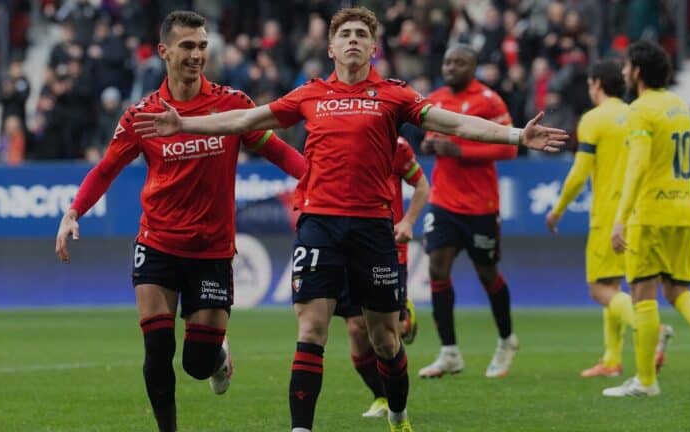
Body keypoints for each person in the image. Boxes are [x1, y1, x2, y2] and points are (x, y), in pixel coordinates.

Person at [133, 7, 568, 431]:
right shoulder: (309, 95)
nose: (353, 40)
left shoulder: (394, 95)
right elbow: (247, 118)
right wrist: (184, 124)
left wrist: (517, 135)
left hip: (372, 228)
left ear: (374, 48)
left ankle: (397, 416)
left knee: (385, 339)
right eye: (345, 35)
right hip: (318, 225)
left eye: (362, 35)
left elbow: (453, 123)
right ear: (331, 48)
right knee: (311, 329)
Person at [54, 11, 306, 432]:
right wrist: (73, 211)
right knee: (157, 349)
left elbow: (276, 150)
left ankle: (218, 356)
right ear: (164, 51)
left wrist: (316, 180)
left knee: (196, 363)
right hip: (157, 242)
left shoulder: (232, 104)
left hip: (211, 249)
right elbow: (106, 170)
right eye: (187, 46)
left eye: (202, 46)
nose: (196, 55)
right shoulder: (143, 115)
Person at [603, 40, 690, 397]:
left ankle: (646, 381)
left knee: (642, 293)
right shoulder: (679, 105)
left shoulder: (639, 110)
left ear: (637, 71)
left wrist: (620, 218)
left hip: (650, 212)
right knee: (678, 290)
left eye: (626, 66)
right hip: (684, 209)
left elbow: (637, 165)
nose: (623, 71)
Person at [546, 59, 673, 378]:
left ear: (598, 84)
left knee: (598, 289)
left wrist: (558, 208)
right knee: (614, 286)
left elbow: (579, 173)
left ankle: (652, 328)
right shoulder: (636, 113)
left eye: (591, 84)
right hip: (638, 210)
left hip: (608, 214)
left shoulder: (593, 119)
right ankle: (612, 360)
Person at [417, 46, 519, 379]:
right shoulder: (435, 99)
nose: (451, 67)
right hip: (443, 201)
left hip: (480, 204)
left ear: (473, 68)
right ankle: (449, 352)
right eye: (447, 61)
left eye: (459, 63)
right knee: (437, 269)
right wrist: (430, 145)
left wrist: (460, 150)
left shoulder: (490, 101)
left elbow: (509, 149)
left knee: (487, 273)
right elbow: (432, 137)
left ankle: (507, 340)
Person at [336, 136, 429, 419]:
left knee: (389, 332)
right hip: (347, 244)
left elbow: (422, 185)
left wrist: (408, 221)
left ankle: (404, 317)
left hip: (388, 247)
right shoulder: (336, 136)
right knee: (356, 329)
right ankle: (381, 396)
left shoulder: (396, 145)